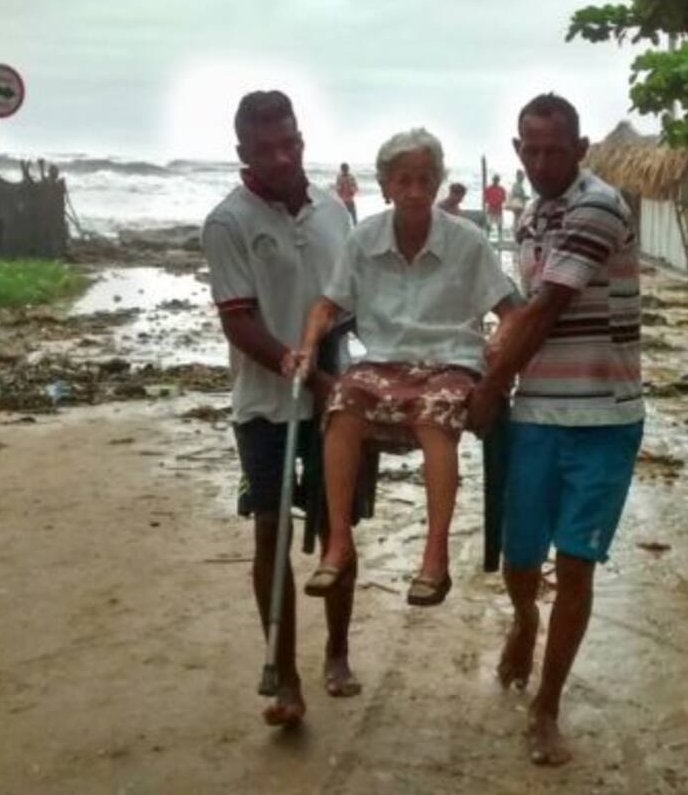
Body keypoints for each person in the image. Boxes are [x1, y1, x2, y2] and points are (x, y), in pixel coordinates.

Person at [468, 93, 644, 767]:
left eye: (554, 149)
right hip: (536, 413)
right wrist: (485, 362)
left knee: (575, 563)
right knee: (519, 558)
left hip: (604, 417)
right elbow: (519, 314)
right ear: (517, 151)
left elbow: (545, 309)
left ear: (581, 148)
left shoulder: (598, 204)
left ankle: (547, 707)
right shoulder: (531, 213)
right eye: (530, 149)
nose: (542, 161)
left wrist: (489, 385)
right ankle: (523, 619)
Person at [285, 128, 517, 607]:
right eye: (403, 180)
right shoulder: (363, 237)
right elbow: (326, 305)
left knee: (435, 413)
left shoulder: (467, 240)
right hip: (383, 363)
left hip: (450, 361)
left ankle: (435, 558)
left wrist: (496, 346)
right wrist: (307, 347)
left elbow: (511, 313)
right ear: (386, 185)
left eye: (425, 180)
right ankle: (339, 547)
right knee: (343, 401)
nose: (415, 191)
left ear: (437, 184)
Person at [200, 90, 360, 729]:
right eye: (265, 148)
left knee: (337, 531)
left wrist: (338, 377)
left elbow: (350, 301)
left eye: (289, 142)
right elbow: (239, 323)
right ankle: (285, 675)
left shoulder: (335, 212)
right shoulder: (227, 222)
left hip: (334, 401)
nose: (281, 156)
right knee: (273, 533)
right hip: (264, 406)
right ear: (243, 153)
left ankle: (338, 653)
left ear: (302, 139)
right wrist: (301, 373)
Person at [483, 173, 507, 237]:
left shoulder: (502, 189)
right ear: (492, 180)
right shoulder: (488, 189)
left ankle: (500, 237)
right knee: (488, 225)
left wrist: (498, 201)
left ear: (499, 181)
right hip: (490, 209)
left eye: (497, 180)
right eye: (494, 180)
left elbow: (504, 199)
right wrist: (492, 202)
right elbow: (485, 199)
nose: (495, 181)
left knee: (500, 225)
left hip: (499, 210)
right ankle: (487, 237)